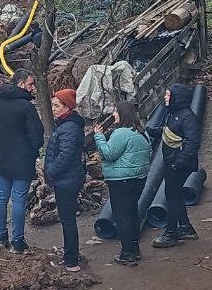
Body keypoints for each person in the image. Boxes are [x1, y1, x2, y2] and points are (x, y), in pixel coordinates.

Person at [0, 67, 44, 253]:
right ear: (21, 84)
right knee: (18, 199)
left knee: (1, 196)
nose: (33, 87)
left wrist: (4, 138)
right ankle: (17, 242)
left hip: (3, 156)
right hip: (22, 160)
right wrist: (31, 148)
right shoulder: (26, 107)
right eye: (31, 84)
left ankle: (1, 237)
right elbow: (37, 137)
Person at [94, 101, 152, 266]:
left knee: (122, 216)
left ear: (123, 113)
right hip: (139, 179)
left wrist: (99, 137)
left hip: (121, 181)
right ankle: (134, 248)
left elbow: (109, 154)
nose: (113, 114)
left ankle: (127, 253)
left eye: (115, 111)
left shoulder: (121, 133)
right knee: (132, 212)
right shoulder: (142, 132)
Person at [152, 84, 201, 249]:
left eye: (168, 95)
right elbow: (171, 131)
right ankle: (186, 228)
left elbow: (193, 143)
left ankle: (171, 233)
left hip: (179, 165)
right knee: (175, 194)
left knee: (171, 195)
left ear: (177, 97)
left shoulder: (188, 117)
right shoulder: (174, 113)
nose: (165, 98)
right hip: (172, 162)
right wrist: (154, 131)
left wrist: (178, 163)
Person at [44, 88, 86, 272]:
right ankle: (71, 255)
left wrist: (51, 172)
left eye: (56, 106)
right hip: (68, 178)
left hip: (66, 180)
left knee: (67, 220)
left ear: (67, 107)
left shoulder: (68, 128)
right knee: (68, 219)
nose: (53, 109)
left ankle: (71, 261)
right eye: (53, 105)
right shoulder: (67, 125)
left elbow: (65, 156)